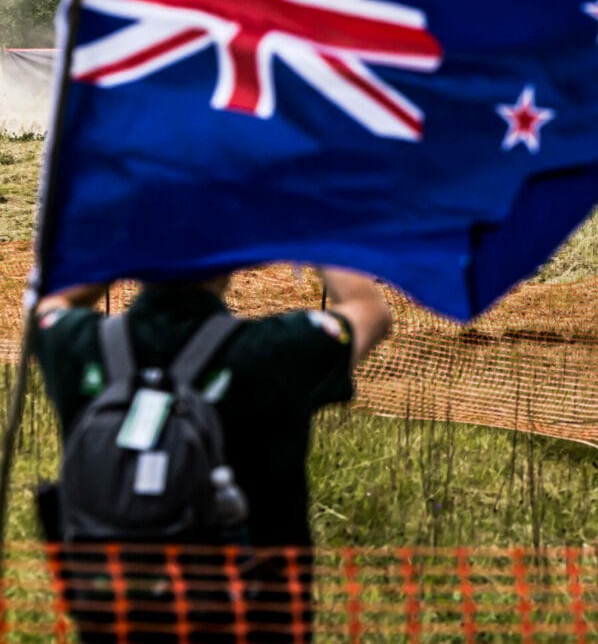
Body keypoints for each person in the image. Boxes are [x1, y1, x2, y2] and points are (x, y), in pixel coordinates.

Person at [32, 266, 393, 642]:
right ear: (230, 259)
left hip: (119, 624)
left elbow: (47, 302)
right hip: (250, 625)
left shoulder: (72, 343)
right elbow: (368, 312)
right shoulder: (274, 351)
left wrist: (117, 249)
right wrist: (308, 226)